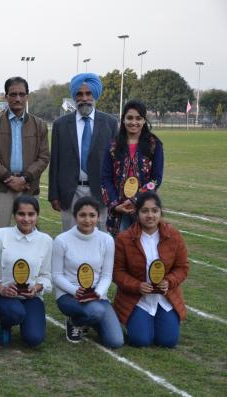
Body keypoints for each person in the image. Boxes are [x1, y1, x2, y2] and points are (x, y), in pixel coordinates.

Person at [113, 191, 188, 347]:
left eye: (155, 210)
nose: (150, 215)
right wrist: (136, 286)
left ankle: (160, 320)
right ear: (137, 212)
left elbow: (182, 267)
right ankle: (135, 321)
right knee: (141, 340)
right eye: (145, 211)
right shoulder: (124, 238)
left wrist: (169, 281)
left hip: (164, 298)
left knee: (168, 341)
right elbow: (117, 272)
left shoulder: (173, 235)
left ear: (160, 212)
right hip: (137, 299)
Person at [48, 73, 118, 232]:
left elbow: (116, 162)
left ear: (95, 95)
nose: (84, 98)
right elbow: (55, 162)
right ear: (74, 96)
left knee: (100, 239)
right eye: (79, 94)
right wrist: (54, 195)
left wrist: (114, 194)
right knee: (70, 240)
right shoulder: (61, 125)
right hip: (70, 193)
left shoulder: (110, 123)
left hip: (101, 194)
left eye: (88, 93)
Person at [52, 196, 123, 348]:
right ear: (75, 216)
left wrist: (97, 293)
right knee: (96, 311)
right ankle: (74, 321)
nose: (87, 220)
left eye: (92, 215)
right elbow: (57, 276)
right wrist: (75, 291)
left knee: (115, 341)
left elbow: (106, 275)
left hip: (97, 296)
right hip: (69, 295)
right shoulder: (61, 240)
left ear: (98, 217)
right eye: (82, 215)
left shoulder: (107, 240)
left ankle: (88, 320)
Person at [0, 77, 50, 233]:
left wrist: (25, 178)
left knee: (29, 236)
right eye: (13, 94)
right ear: (6, 97)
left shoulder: (39, 124)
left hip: (28, 187)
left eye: (22, 94)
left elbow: (44, 157)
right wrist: (8, 178)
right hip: (2, 189)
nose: (17, 98)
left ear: (27, 97)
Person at [0, 196, 52, 347]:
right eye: (21, 214)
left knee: (34, 339)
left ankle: (25, 319)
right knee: (15, 313)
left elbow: (46, 275)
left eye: (31, 214)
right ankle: (6, 324)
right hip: (4, 296)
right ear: (14, 215)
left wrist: (36, 288)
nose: (26, 219)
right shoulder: (0, 235)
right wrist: (1, 289)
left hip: (31, 297)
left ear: (37, 215)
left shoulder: (46, 240)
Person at [101, 100, 164, 236]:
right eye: (129, 118)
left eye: (138, 118)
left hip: (144, 208)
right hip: (118, 209)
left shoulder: (154, 144)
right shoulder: (113, 146)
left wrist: (136, 200)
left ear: (144, 121)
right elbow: (105, 178)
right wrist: (115, 204)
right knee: (120, 251)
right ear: (123, 120)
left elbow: (156, 179)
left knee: (142, 251)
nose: (133, 122)